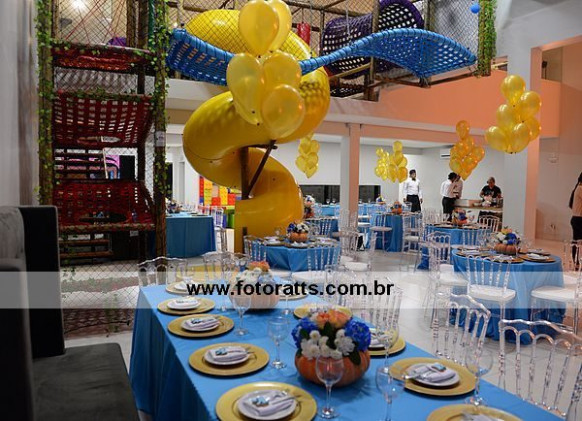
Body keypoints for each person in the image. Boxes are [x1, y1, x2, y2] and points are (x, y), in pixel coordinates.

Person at [569, 172, 582, 264]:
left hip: (576, 218)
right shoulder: (580, 188)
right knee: (577, 242)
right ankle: (577, 262)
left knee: (576, 241)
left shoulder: (577, 188)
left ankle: (576, 262)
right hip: (579, 219)